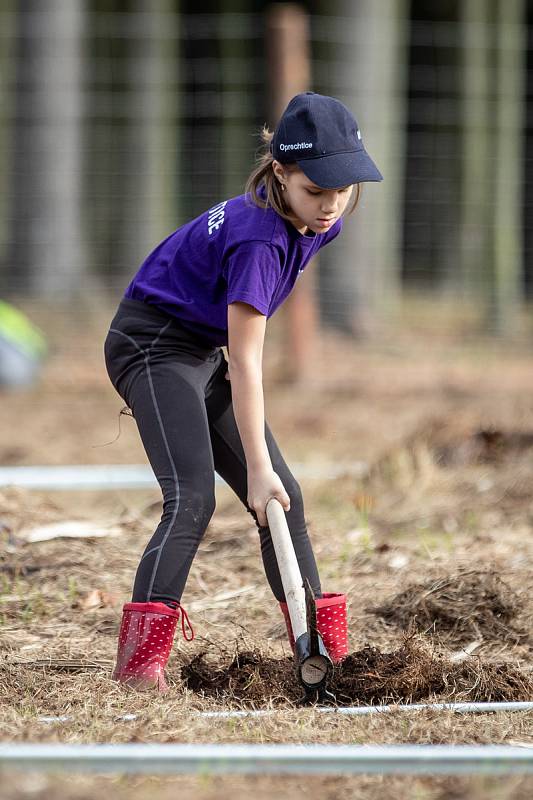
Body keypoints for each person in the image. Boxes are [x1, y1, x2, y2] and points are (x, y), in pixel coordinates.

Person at [105, 92, 382, 691]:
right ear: (281, 173)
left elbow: (237, 347)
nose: (332, 205)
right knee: (193, 499)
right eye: (316, 191)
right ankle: (139, 668)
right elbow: (250, 360)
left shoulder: (312, 218)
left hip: (201, 349)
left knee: (287, 499)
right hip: (152, 345)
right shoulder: (260, 239)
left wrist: (266, 476)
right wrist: (255, 464)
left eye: (344, 188)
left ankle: (320, 652)